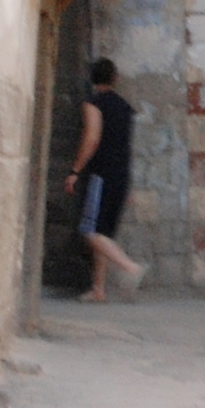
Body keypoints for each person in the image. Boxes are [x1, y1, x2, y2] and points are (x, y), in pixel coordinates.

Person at [65, 56, 145, 301]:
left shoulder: (93, 104)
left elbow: (92, 139)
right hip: (121, 174)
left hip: (101, 174)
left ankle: (130, 267)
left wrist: (75, 171)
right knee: (103, 233)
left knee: (89, 230)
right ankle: (99, 289)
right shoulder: (124, 107)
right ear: (115, 78)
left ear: (93, 79)